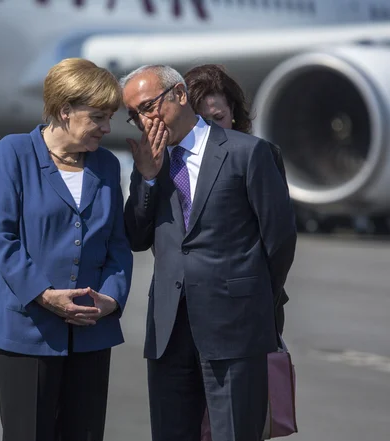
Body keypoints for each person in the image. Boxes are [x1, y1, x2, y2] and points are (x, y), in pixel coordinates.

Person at [121, 64, 296, 441]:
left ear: (180, 95)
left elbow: (279, 242)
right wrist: (148, 178)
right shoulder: (152, 163)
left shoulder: (248, 153)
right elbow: (135, 237)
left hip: (234, 327)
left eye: (149, 106)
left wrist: (254, 303)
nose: (143, 119)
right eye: (134, 115)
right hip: (168, 329)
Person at [0, 58, 133, 441]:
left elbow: (118, 243)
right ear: (64, 111)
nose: (106, 128)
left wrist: (111, 299)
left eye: (110, 117)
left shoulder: (108, 165)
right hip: (27, 329)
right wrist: (45, 295)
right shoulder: (13, 152)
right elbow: (0, 236)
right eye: (97, 116)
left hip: (92, 332)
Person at [183, 63, 289, 333]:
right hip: (181, 313)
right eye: (199, 121)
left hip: (243, 311)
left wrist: (259, 294)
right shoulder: (172, 162)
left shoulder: (258, 155)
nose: (208, 131)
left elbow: (279, 239)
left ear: (233, 115)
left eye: (217, 118)